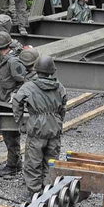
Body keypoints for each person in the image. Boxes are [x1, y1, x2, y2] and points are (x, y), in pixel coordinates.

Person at [13, 55, 66, 198]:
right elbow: (63, 107)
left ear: (36, 70)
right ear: (52, 71)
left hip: (36, 127)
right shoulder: (59, 86)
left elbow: (17, 102)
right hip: (54, 126)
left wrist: (20, 122)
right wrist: (58, 121)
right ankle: (48, 188)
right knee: (51, 159)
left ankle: (34, 191)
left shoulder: (29, 86)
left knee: (33, 160)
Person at [0, 32, 26, 177]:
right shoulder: (3, 58)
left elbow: (23, 80)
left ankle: (13, 164)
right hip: (3, 97)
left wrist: (15, 95)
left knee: (11, 134)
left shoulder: (13, 61)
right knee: (7, 133)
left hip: (10, 100)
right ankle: (15, 162)